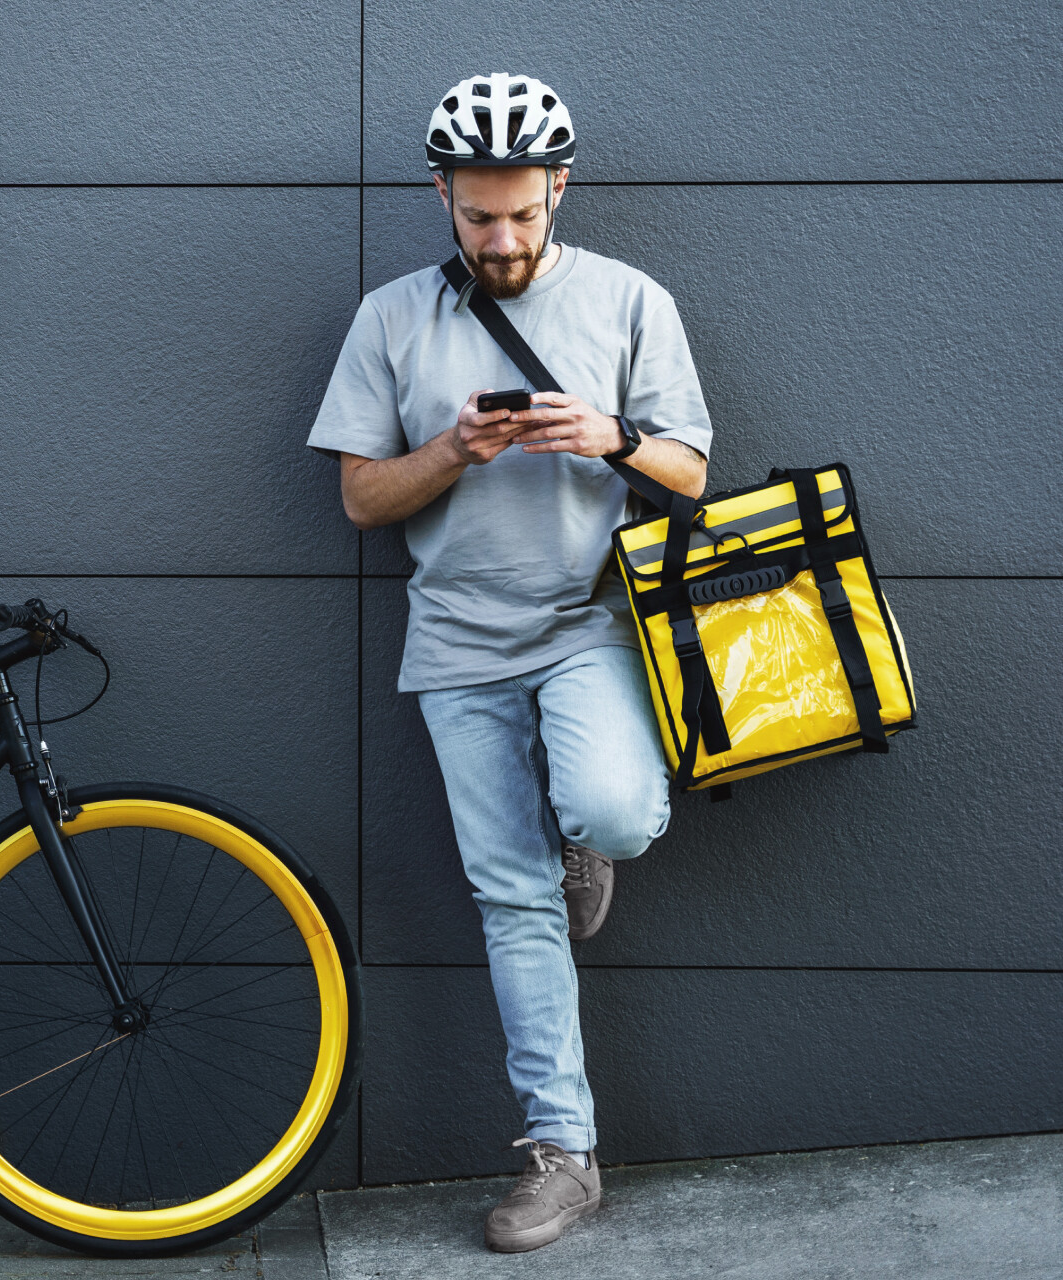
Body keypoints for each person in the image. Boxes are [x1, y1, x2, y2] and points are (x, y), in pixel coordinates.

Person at [305, 73, 713, 1253]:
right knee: (511, 900)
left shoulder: (633, 300)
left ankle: (583, 836)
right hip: (456, 645)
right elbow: (360, 499)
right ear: (442, 194)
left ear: (559, 189)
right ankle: (560, 1151)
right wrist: (453, 449)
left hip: (591, 624)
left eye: (523, 213)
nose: (502, 238)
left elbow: (691, 470)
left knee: (618, 811)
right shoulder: (391, 318)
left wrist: (610, 434)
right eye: (479, 215)